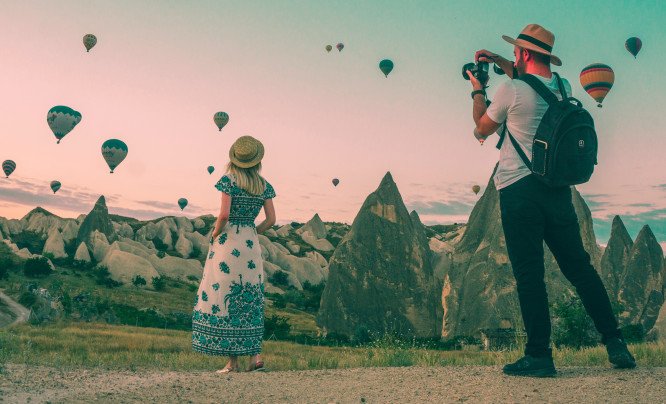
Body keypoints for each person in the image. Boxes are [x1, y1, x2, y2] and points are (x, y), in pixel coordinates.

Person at [467, 24, 636, 377]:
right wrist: (499, 59)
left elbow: (482, 128)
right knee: (580, 268)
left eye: (515, 52)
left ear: (525, 54)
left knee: (530, 275)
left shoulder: (509, 90)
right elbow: (532, 82)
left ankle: (540, 356)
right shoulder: (563, 88)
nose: (512, 57)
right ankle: (615, 342)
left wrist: (477, 89)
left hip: (518, 191)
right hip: (559, 192)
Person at [192, 135, 276, 373]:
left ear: (234, 159)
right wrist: (253, 231)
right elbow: (271, 220)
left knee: (227, 294)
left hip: (228, 244)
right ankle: (255, 357)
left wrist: (214, 234)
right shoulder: (264, 185)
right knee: (251, 296)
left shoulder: (228, 180)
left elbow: (223, 215)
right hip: (250, 244)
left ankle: (232, 363)